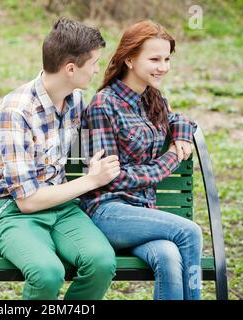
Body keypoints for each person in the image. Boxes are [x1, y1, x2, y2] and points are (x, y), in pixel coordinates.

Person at [0, 18, 119, 300]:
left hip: (62, 208)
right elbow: (27, 201)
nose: (97, 70)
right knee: (48, 273)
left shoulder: (75, 99)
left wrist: (179, 130)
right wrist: (90, 180)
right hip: (13, 212)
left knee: (102, 263)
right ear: (71, 68)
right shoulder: (16, 111)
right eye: (93, 63)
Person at [80, 20, 202, 300]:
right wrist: (171, 157)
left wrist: (182, 134)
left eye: (167, 58)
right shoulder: (104, 104)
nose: (163, 67)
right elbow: (112, 177)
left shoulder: (153, 99)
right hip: (108, 212)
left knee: (170, 257)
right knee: (190, 232)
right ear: (130, 59)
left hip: (143, 212)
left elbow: (178, 119)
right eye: (155, 59)